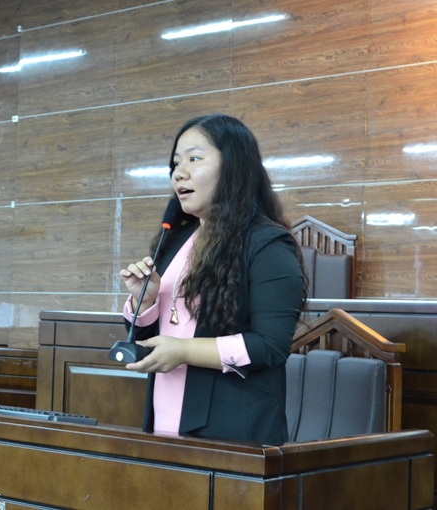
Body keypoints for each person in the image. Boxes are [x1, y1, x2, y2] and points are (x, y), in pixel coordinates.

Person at [120, 114, 307, 444]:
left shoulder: (267, 243)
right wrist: (144, 302)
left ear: (233, 166)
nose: (179, 172)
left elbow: (270, 346)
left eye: (194, 159)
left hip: (232, 431)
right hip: (164, 420)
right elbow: (150, 338)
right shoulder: (175, 240)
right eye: (176, 163)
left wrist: (184, 351)